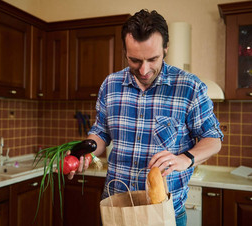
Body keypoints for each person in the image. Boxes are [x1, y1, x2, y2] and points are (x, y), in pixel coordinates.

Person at [70, 9, 223, 226]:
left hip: (165, 214)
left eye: (152, 59)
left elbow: (213, 139)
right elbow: (101, 133)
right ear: (125, 51)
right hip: (117, 211)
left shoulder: (190, 87)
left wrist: (185, 159)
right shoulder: (111, 85)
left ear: (165, 49)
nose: (144, 70)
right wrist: (85, 151)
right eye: (135, 60)